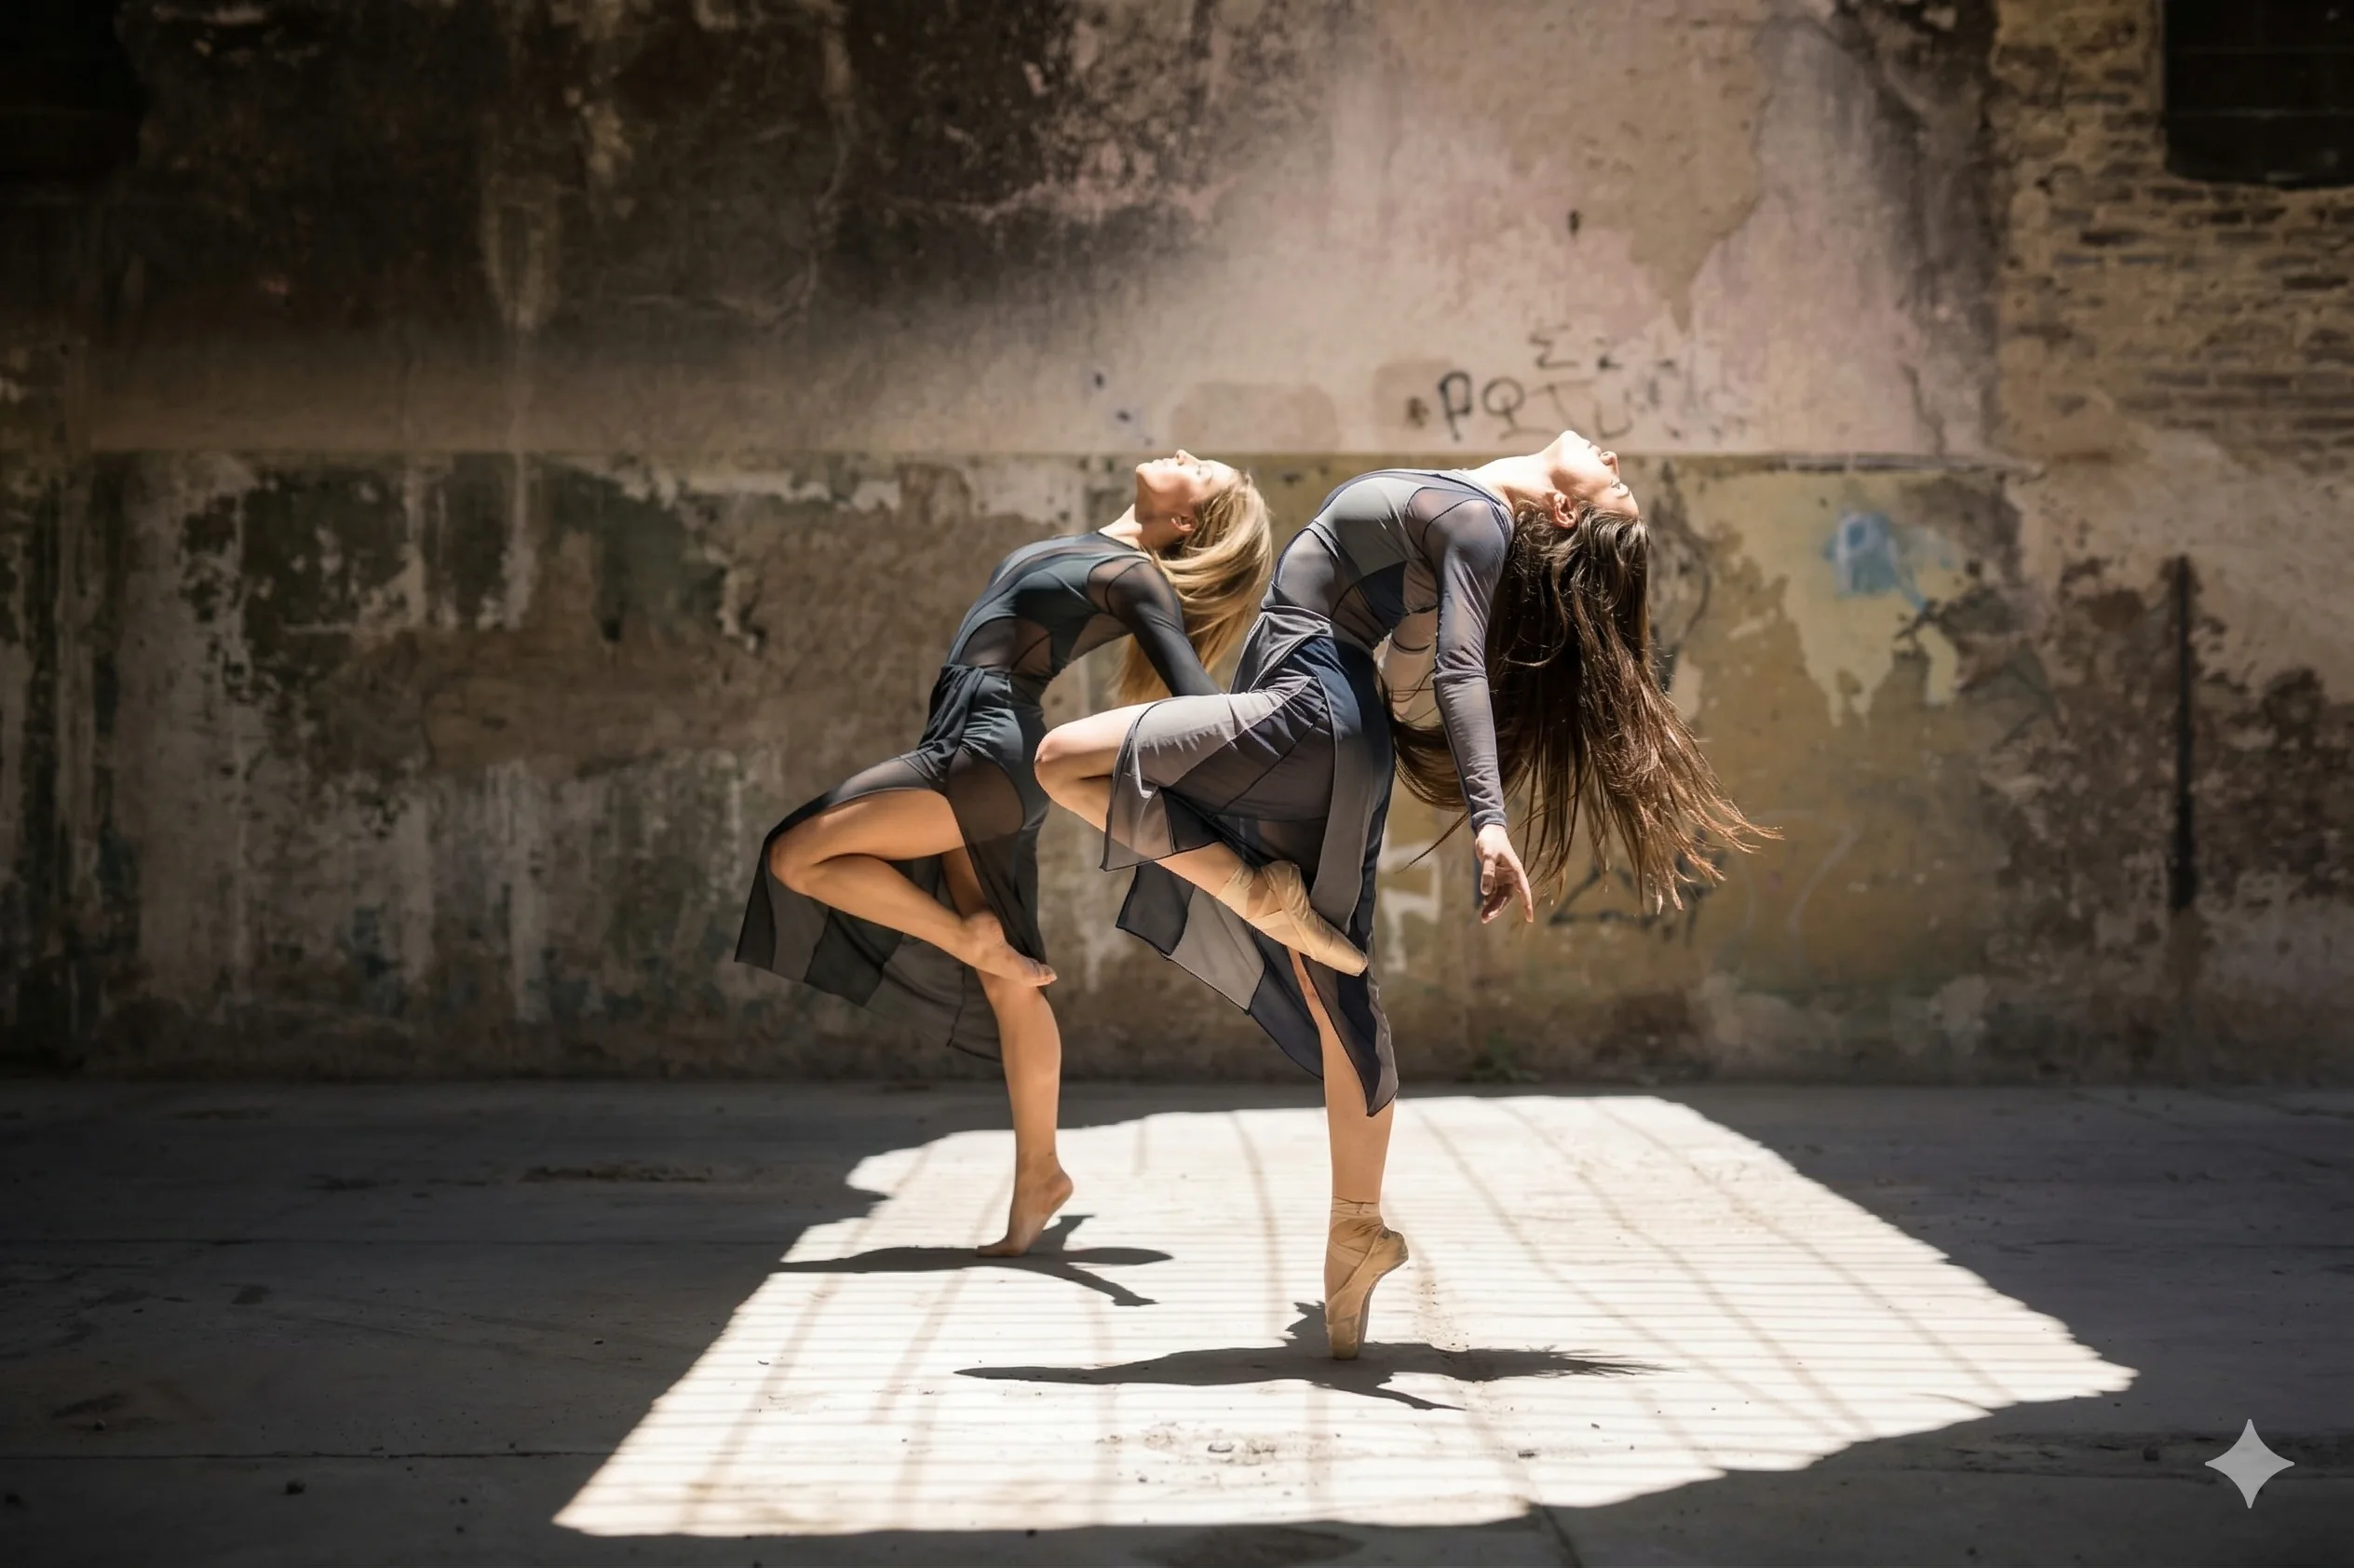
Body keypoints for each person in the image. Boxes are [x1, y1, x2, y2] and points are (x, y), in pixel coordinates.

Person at [1035, 431, 1765, 1356]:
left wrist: (1489, 821)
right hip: (1341, 736)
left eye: (1617, 490)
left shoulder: (1476, 519)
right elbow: (1412, 662)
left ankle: (1249, 893)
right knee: (1333, 988)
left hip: (1305, 710)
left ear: (1564, 510)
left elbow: (1454, 670)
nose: (1617, 460)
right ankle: (1355, 1236)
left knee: (1060, 761)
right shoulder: (1464, 525)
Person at [737, 453, 1273, 1256]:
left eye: (1200, 470)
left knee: (794, 856)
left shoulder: (1135, 576)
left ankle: (966, 938)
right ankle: (1041, 1177)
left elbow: (1198, 703)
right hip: (979, 749)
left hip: (984, 750)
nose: (1183, 455)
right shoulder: (1101, 550)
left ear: (1186, 520)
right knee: (1011, 983)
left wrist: (1271, 747)